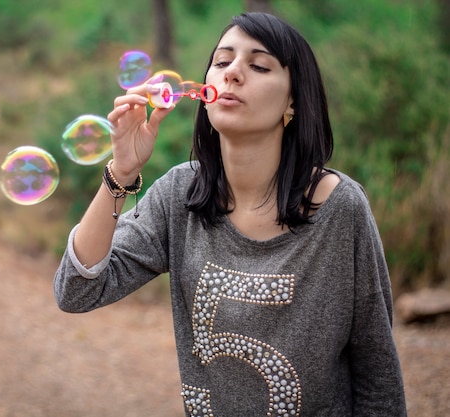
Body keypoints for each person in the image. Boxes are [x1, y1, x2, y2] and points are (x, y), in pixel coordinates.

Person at [54, 11, 407, 416]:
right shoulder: (180, 194)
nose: (233, 73)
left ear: (293, 99)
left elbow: (378, 374)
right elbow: (75, 292)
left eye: (258, 65)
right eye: (221, 62)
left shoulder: (340, 209)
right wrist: (121, 173)